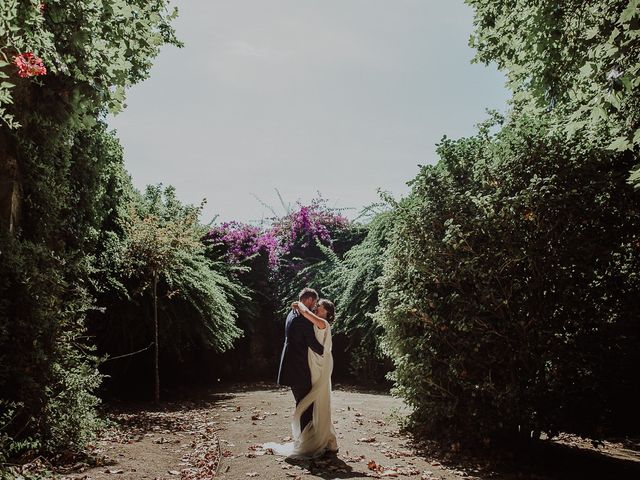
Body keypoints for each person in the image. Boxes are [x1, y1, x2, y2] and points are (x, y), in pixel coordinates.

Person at [267, 291, 338, 458]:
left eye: (318, 307)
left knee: (307, 404)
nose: (315, 307)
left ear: (326, 312)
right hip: (301, 368)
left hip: (308, 366)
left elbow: (320, 348)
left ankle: (312, 441)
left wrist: (299, 305)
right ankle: (309, 442)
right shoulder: (302, 319)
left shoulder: (295, 314)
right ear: (309, 299)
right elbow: (315, 345)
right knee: (306, 405)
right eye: (315, 304)